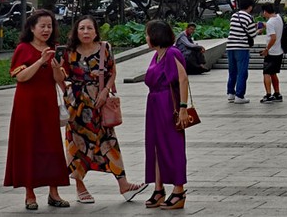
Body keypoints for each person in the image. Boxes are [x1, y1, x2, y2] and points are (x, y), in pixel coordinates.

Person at [61, 16, 146, 204]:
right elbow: (62, 75)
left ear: (95, 31)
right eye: (81, 28)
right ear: (76, 31)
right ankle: (80, 187)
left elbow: (112, 71)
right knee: (77, 143)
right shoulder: (68, 52)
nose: (85, 32)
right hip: (77, 106)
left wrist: (105, 91)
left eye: (89, 28)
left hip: (100, 102)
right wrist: (66, 94)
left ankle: (123, 184)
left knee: (109, 141)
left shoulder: (104, 48)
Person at [4, 9, 71, 210]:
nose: (46, 30)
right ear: (32, 28)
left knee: (51, 147)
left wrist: (55, 66)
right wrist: (40, 61)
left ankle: (54, 192)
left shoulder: (55, 49)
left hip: (48, 104)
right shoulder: (23, 49)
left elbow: (60, 80)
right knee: (28, 146)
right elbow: (21, 77)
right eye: (42, 26)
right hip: (27, 106)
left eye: (49, 26)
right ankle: (30, 194)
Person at [143, 20, 190, 210]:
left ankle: (178, 191)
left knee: (173, 146)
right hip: (154, 104)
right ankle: (158, 188)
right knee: (155, 146)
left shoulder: (172, 53)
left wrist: (183, 107)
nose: (146, 38)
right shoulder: (156, 55)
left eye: (148, 34)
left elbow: (183, 78)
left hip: (167, 104)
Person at [226, 0, 258, 104]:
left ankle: (231, 93)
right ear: (250, 7)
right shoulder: (249, 18)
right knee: (242, 72)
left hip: (230, 46)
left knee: (232, 71)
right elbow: (252, 34)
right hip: (241, 47)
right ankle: (239, 95)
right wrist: (258, 30)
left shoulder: (234, 16)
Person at [259, 2, 284, 103]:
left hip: (272, 52)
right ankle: (277, 93)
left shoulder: (270, 23)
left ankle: (268, 95)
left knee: (266, 73)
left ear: (265, 11)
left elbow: (273, 37)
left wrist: (266, 49)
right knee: (273, 73)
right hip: (279, 51)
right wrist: (264, 25)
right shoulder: (278, 18)